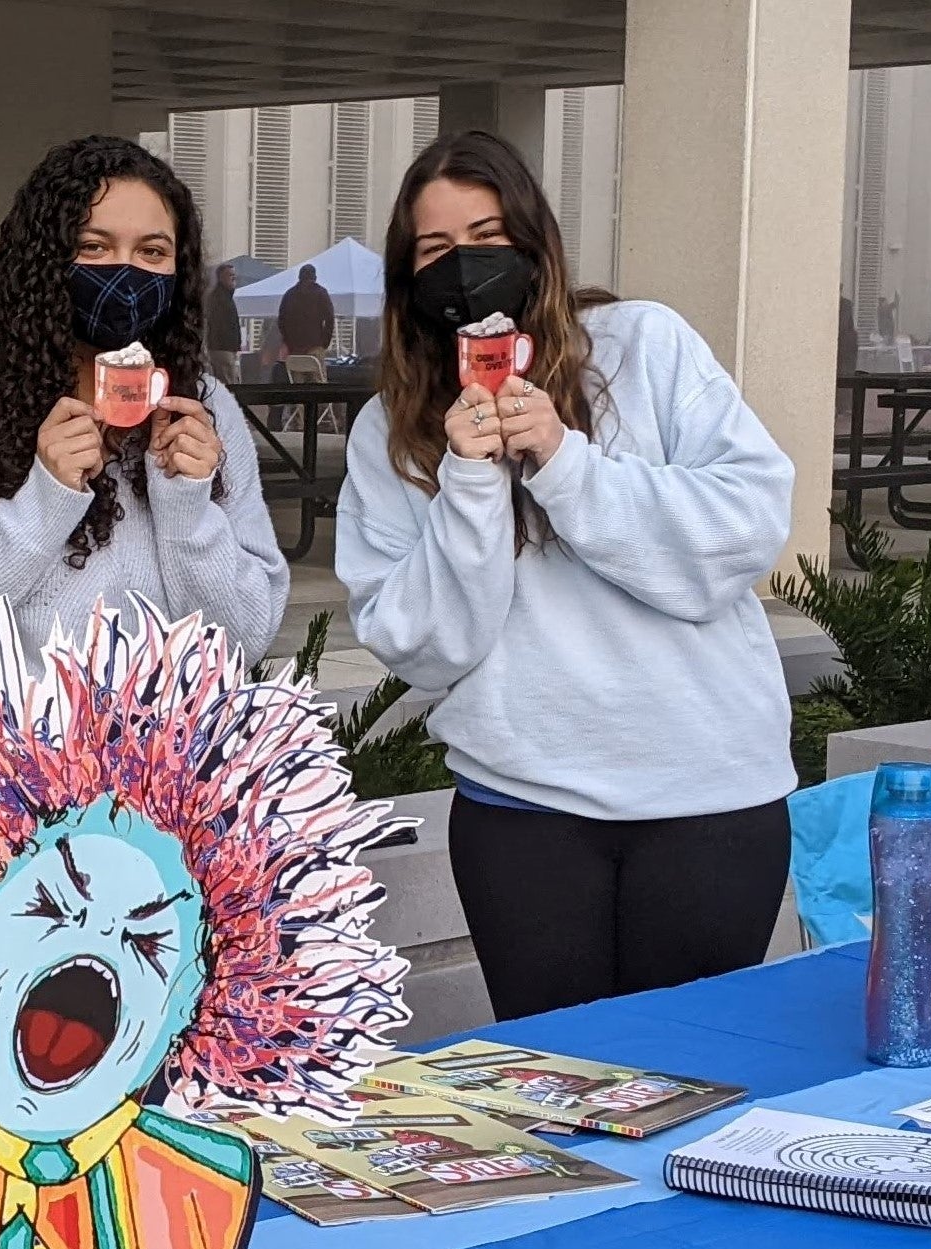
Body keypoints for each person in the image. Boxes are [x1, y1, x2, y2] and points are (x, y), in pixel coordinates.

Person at [335, 128, 796, 1020]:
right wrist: (468, 483)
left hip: (707, 799)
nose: (464, 267)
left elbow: (744, 529)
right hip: (525, 811)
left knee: (695, 1084)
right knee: (553, 1093)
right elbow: (420, 645)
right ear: (405, 277)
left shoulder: (642, 348)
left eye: (487, 236)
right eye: (435, 250)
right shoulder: (388, 431)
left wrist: (563, 460)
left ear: (535, 245)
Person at [0, 135, 287, 699]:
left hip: (152, 773)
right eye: (94, 246)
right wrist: (43, 500)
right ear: (43, 258)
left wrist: (188, 509)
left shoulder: (201, 409)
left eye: (152, 252)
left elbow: (246, 636)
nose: (124, 272)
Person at [279, 261, 337, 360]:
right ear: (314, 277)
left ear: (299, 277)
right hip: (315, 344)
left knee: (297, 374)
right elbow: (330, 319)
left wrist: (288, 340)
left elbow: (281, 321)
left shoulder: (289, 294)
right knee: (316, 373)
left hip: (295, 347)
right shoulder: (321, 293)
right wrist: (324, 343)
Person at [206, 259, 243, 385]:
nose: (233, 278)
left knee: (229, 381)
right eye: (230, 275)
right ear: (221, 277)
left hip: (226, 348)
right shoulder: (218, 298)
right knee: (228, 384)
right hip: (222, 348)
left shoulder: (226, 297)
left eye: (234, 275)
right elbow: (217, 324)